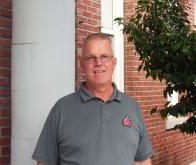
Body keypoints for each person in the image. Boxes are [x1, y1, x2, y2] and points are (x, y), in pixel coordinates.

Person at [32, 33, 153, 165]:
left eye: (104, 57)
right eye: (91, 58)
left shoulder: (132, 107)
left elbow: (142, 161)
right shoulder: (62, 109)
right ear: (82, 64)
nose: (98, 63)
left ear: (114, 62)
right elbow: (44, 162)